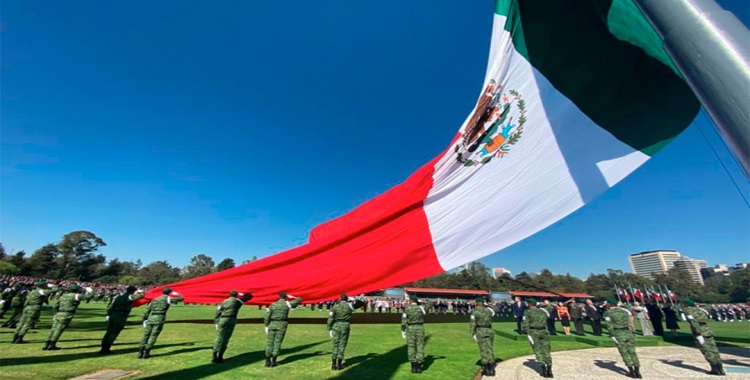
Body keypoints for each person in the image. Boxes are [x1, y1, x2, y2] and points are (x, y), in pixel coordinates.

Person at [138, 287, 184, 359]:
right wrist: (176, 294)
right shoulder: (168, 299)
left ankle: (140, 352)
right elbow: (181, 298)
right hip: (159, 318)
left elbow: (147, 310)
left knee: (146, 335)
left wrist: (144, 319)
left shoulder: (155, 299)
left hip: (151, 318)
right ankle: (146, 352)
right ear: (169, 293)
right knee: (153, 335)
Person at [683, 299, 725, 376]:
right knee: (714, 349)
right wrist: (699, 304)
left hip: (700, 333)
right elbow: (708, 306)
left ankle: (715, 369)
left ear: (686, 304)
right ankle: (720, 368)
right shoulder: (700, 310)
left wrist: (697, 333)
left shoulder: (688, 311)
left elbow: (693, 322)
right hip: (707, 331)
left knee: (706, 350)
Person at [327, 294, 366, 370]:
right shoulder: (349, 306)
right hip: (345, 325)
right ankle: (339, 364)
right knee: (342, 344)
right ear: (346, 298)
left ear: (340, 298)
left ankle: (333, 364)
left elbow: (330, 318)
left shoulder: (335, 306)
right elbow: (361, 303)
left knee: (335, 344)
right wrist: (354, 299)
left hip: (336, 325)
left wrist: (329, 328)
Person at [604, 299, 642, 378]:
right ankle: (637, 372)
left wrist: (612, 335)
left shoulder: (608, 313)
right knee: (632, 352)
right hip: (628, 332)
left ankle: (631, 372)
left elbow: (609, 325)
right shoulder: (624, 311)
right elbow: (630, 309)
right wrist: (622, 305)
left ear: (609, 304)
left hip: (618, 333)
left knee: (624, 353)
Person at [264, 292, 303, 367]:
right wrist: (292, 297)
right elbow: (300, 299)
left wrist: (266, 325)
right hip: (282, 324)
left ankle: (267, 361)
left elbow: (267, 316)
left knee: (270, 343)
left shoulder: (273, 305)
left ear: (278, 296)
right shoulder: (287, 304)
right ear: (285, 297)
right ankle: (273, 361)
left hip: (272, 324)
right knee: (278, 342)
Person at [100, 286, 143, 354]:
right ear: (133, 291)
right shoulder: (129, 297)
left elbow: (111, 307)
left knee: (108, 332)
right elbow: (140, 296)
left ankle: (103, 348)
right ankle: (106, 349)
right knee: (114, 333)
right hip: (121, 316)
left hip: (113, 315)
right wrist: (140, 292)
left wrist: (108, 315)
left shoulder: (119, 297)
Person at [213, 290, 253, 363]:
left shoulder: (223, 302)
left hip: (222, 320)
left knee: (219, 337)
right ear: (236, 295)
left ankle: (214, 356)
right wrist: (242, 293)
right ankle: (220, 356)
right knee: (226, 338)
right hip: (231, 320)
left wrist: (216, 322)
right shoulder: (237, 302)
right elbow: (250, 296)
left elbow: (217, 312)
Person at [42, 285, 83, 350]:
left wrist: (55, 314)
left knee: (53, 329)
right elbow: (88, 296)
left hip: (59, 313)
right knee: (59, 329)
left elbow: (56, 306)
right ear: (78, 290)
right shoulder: (75, 296)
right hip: (67, 314)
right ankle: (52, 345)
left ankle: (46, 344)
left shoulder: (63, 296)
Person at [401, 294, 433, 374]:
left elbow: (403, 320)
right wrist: (425, 300)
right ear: (416, 300)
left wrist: (403, 330)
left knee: (411, 346)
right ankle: (419, 366)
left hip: (410, 328)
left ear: (411, 300)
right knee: (420, 345)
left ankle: (413, 367)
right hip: (420, 328)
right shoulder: (421, 308)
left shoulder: (407, 309)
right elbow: (430, 303)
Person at [522, 298, 553, 378]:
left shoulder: (528, 312)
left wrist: (526, 332)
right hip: (544, 331)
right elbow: (551, 307)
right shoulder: (543, 310)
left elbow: (525, 324)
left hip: (534, 332)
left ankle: (544, 370)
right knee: (546, 350)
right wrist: (545, 303)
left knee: (538, 350)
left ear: (529, 304)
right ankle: (549, 370)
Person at [470, 297, 496, 376]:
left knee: (483, 350)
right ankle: (492, 369)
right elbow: (493, 313)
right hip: (489, 330)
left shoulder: (474, 311)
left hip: (480, 331)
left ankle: (486, 369)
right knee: (489, 349)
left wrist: (472, 333)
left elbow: (472, 324)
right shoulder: (489, 310)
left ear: (477, 303)